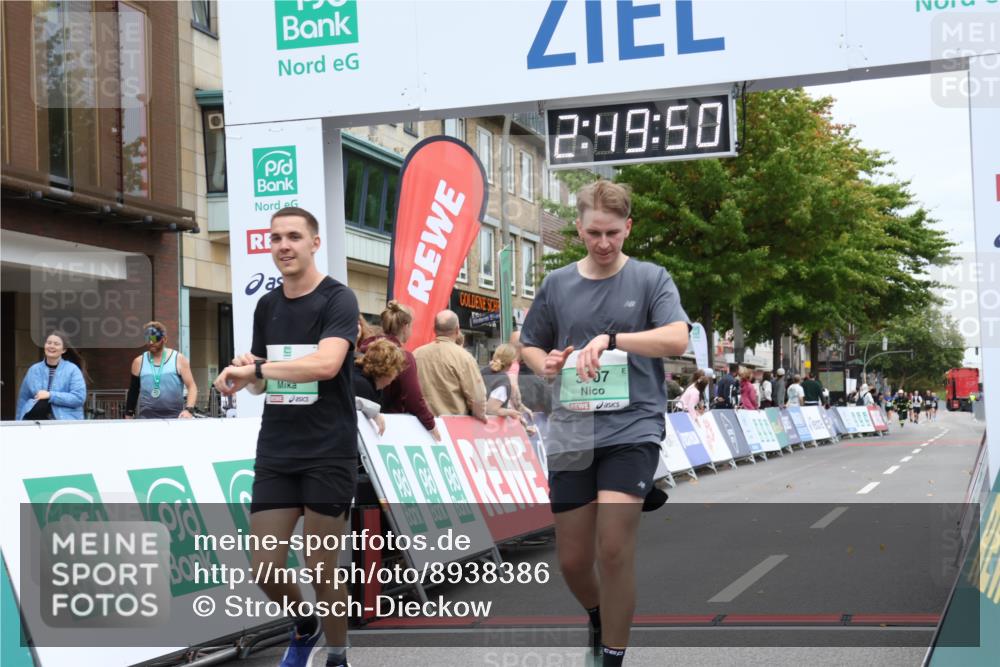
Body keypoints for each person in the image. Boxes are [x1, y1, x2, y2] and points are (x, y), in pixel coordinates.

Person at [519, 180, 690, 667]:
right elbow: (529, 343)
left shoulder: (652, 279)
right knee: (573, 561)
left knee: (612, 547)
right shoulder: (557, 285)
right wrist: (543, 364)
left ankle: (612, 655)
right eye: (593, 232)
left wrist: (614, 340)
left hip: (632, 430)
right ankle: (598, 614)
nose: (603, 242)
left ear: (628, 228)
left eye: (613, 232)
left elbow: (677, 339)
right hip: (573, 432)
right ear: (578, 228)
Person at [213, 206, 359, 667]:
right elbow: (263, 380)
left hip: (328, 451)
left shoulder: (339, 299)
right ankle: (305, 624)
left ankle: (337, 655)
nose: (283, 246)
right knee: (265, 569)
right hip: (277, 449)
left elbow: (326, 364)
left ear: (314, 243)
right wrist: (244, 376)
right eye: (276, 238)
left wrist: (257, 368)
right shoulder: (267, 305)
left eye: (293, 236)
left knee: (321, 568)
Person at [358, 301, 440, 440]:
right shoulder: (403, 357)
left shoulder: (364, 349)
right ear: (405, 326)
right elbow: (414, 399)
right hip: (389, 426)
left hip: (362, 421)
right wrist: (431, 426)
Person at [413, 310, 488, 420]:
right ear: (457, 330)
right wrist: (480, 415)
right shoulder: (464, 358)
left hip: (421, 424)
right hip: (453, 426)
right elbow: (477, 397)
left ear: (434, 329)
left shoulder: (416, 354)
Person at [125, 322, 198, 419]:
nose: (151, 342)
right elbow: (133, 391)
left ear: (164, 339)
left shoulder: (179, 359)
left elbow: (192, 386)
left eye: (155, 339)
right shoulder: (138, 362)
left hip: (175, 418)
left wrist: (189, 410)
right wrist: (129, 414)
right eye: (148, 339)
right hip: (146, 418)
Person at [16, 331, 87, 421]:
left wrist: (50, 395)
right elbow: (23, 399)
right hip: (36, 422)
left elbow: (79, 398)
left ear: (64, 350)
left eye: (56, 344)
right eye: (49, 343)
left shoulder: (72, 369)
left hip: (64, 423)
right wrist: (18, 423)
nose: (51, 346)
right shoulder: (33, 370)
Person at [353, 338, 407, 436]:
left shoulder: (368, 382)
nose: (395, 376)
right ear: (388, 369)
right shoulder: (362, 386)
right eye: (396, 370)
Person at [481, 344, 527, 420]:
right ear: (512, 362)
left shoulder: (483, 371)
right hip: (489, 426)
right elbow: (491, 409)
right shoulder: (503, 381)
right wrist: (511, 412)